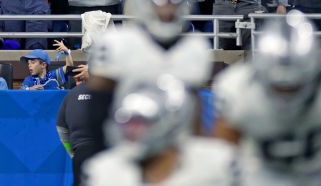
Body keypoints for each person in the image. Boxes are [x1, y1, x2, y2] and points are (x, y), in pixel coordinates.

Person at [213, 12, 321, 185]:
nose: (287, 93)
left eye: (295, 86)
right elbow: (223, 156)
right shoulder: (239, 90)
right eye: (279, 87)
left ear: (315, 71)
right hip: (261, 173)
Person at [82, 77, 238, 186]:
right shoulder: (104, 170)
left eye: (141, 123)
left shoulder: (214, 163)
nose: (134, 131)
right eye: (129, 123)